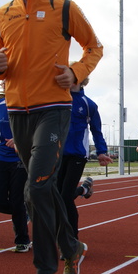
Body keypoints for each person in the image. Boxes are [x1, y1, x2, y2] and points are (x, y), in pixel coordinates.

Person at [0, 0, 103, 274]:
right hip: (17, 113)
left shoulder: (63, 8)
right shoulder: (1, 13)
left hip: (54, 108)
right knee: (41, 189)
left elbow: (94, 47)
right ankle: (72, 246)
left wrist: (76, 72)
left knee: (35, 189)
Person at [58, 75, 112, 238]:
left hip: (77, 155)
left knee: (65, 196)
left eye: (74, 75)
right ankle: (83, 189)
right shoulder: (57, 100)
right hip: (57, 154)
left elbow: (96, 130)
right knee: (56, 195)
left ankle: (72, 239)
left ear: (80, 79)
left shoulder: (89, 105)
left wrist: (101, 151)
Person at [0, 85, 31, 253]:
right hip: (2, 158)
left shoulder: (29, 101)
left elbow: (36, 128)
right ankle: (25, 213)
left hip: (21, 159)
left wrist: (20, 141)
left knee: (17, 200)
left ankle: (22, 240)